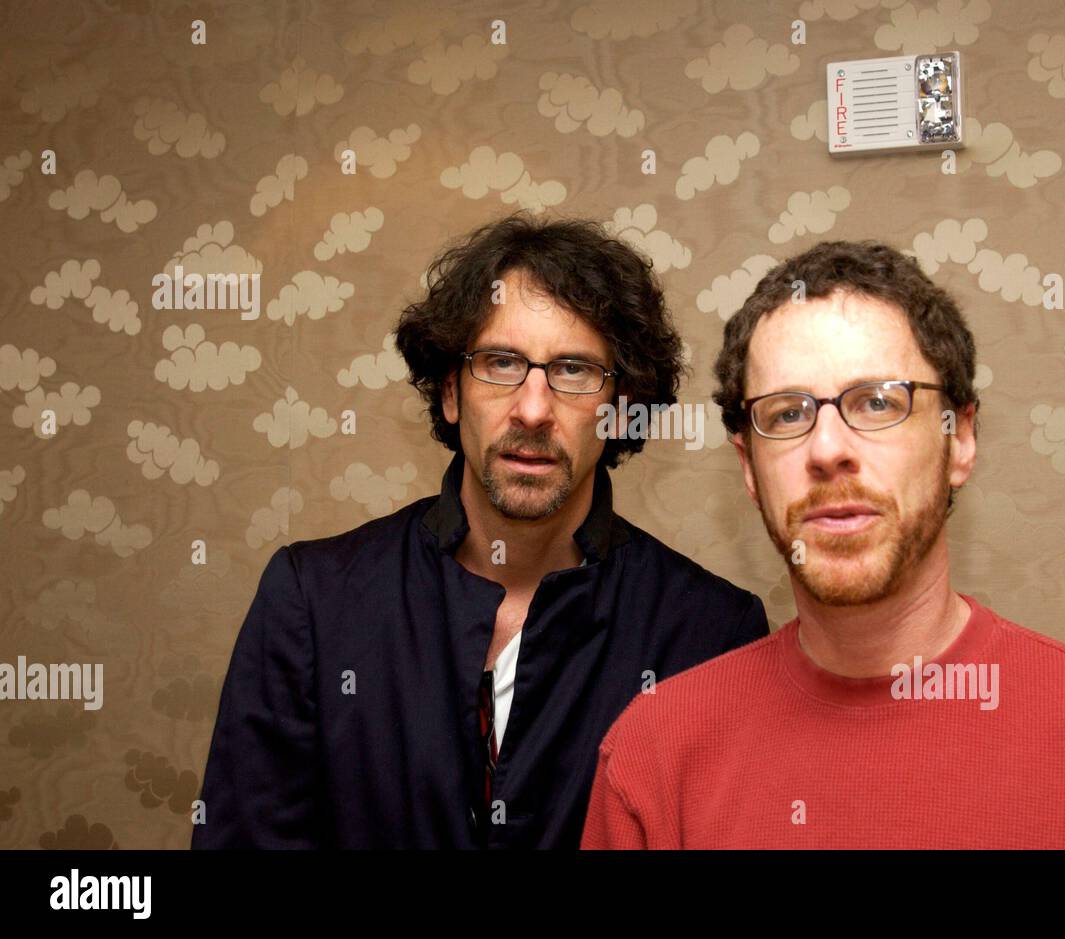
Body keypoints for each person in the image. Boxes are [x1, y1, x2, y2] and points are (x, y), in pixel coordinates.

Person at [581, 240, 1065, 849]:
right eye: (786, 413)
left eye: (877, 403)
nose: (829, 450)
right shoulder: (651, 760)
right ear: (749, 468)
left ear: (961, 438)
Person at [192, 213, 769, 849]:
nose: (532, 409)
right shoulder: (315, 600)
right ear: (449, 392)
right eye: (500, 363)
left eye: (574, 370)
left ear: (619, 410)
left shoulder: (710, 633)